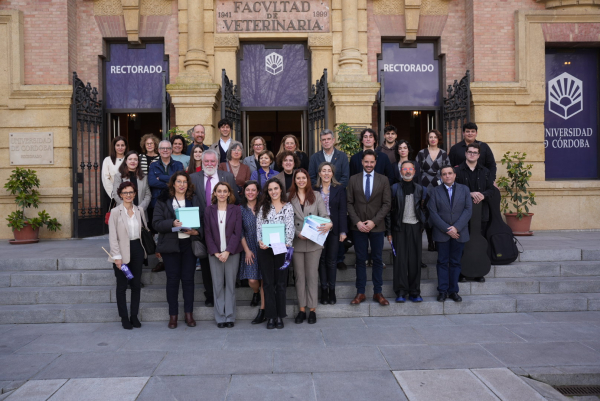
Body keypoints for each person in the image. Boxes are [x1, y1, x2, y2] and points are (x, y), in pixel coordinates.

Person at [189, 149, 240, 307]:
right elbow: (191, 201)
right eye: (207, 161)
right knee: (206, 265)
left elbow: (235, 200)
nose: (209, 164)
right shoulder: (192, 178)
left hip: (226, 227)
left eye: (213, 161)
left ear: (217, 162)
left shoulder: (228, 177)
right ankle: (210, 295)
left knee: (228, 264)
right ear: (202, 162)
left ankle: (227, 295)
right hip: (203, 228)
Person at [152, 171, 202, 328]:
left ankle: (189, 314)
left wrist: (196, 232)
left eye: (184, 182)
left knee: (188, 280)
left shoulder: (193, 199)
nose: (182, 185)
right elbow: (156, 223)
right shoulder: (163, 200)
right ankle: (173, 315)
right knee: (173, 281)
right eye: (179, 181)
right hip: (170, 245)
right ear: (173, 183)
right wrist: (172, 223)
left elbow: (203, 220)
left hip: (188, 245)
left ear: (188, 184)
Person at [347, 150, 392, 306]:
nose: (369, 164)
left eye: (372, 162)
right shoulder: (353, 179)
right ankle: (360, 292)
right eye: (366, 162)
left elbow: (387, 204)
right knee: (360, 259)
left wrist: (374, 221)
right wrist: (358, 222)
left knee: (378, 259)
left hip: (377, 226)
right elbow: (349, 203)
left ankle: (377, 292)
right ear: (362, 162)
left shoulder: (384, 180)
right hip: (358, 227)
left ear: (375, 162)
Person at [288, 169, 330, 324]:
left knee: (312, 276)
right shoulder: (288, 197)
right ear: (294, 180)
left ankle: (312, 310)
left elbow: (325, 217)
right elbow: (286, 221)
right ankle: (301, 309)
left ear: (307, 179)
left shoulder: (316, 196)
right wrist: (297, 232)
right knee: (299, 277)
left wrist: (329, 224)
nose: (301, 180)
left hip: (313, 243)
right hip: (297, 241)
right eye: (298, 178)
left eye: (303, 178)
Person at [427, 166, 472, 303]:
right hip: (442, 234)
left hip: (460, 233)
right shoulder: (434, 191)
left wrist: (456, 228)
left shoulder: (464, 189)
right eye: (444, 174)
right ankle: (442, 291)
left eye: (449, 173)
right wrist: (447, 229)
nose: (447, 176)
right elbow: (433, 213)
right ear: (441, 177)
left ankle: (453, 291)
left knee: (455, 262)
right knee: (442, 262)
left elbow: (468, 210)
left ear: (454, 175)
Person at [107, 181, 148, 330]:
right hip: (121, 251)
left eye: (131, 192)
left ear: (135, 194)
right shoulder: (115, 212)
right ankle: (124, 317)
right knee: (122, 286)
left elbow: (143, 231)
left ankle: (134, 316)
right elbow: (113, 236)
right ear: (120, 195)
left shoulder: (139, 210)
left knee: (136, 284)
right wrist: (117, 256)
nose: (128, 195)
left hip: (137, 248)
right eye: (125, 193)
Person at [385, 161, 427, 303]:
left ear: (414, 171)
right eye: (405, 169)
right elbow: (389, 212)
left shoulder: (421, 189)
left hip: (415, 227)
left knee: (415, 261)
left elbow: (425, 209)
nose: (407, 171)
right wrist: (389, 231)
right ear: (400, 171)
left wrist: (422, 224)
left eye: (410, 169)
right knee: (400, 261)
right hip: (399, 228)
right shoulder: (394, 188)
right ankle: (401, 291)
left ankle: (415, 292)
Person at [256, 178, 294, 330]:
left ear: (281, 190)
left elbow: (290, 227)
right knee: (268, 283)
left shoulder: (288, 207)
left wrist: (287, 242)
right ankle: (270, 316)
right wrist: (260, 241)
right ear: (267, 192)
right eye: (270, 189)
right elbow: (259, 227)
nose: (273, 192)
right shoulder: (263, 207)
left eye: (276, 188)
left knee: (280, 283)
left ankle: (280, 316)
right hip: (265, 249)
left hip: (281, 248)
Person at [204, 182, 243, 328]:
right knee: (218, 285)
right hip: (214, 254)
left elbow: (237, 232)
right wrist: (216, 252)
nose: (221, 194)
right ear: (214, 193)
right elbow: (207, 233)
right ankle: (220, 317)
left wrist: (227, 251)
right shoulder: (209, 210)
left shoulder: (236, 210)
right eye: (219, 191)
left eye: (224, 191)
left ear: (229, 194)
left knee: (230, 286)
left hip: (232, 253)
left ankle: (230, 316)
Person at [455, 142, 494, 283]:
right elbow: (453, 189)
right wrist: (469, 193)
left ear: (479, 155)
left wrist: (483, 195)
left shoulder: (485, 171)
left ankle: (478, 271)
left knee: (478, 243)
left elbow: (491, 190)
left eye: (475, 152)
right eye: (469, 152)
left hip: (480, 214)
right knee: (462, 244)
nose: (472, 154)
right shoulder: (457, 171)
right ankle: (462, 273)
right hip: (462, 216)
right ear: (465, 153)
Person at [148, 140, 184, 273]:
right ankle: (162, 261)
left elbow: (180, 181)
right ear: (158, 150)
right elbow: (151, 181)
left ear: (171, 150)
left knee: (176, 228)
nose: (165, 150)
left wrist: (160, 178)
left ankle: (177, 258)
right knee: (159, 232)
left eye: (167, 148)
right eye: (162, 148)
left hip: (176, 201)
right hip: (158, 202)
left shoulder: (178, 164)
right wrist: (170, 180)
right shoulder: (154, 165)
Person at [316, 162, 347, 305]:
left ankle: (332, 291)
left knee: (332, 260)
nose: (326, 173)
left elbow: (342, 211)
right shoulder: (314, 189)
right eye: (324, 171)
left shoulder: (339, 189)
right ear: (320, 173)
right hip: (319, 229)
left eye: (329, 171)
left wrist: (342, 230)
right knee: (321, 260)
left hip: (334, 229)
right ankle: (323, 290)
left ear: (332, 174)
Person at [417, 129, 450, 251]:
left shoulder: (443, 153)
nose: (433, 139)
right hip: (424, 185)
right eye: (430, 137)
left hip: (439, 185)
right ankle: (430, 241)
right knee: (426, 213)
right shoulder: (421, 153)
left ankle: (438, 241)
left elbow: (448, 170)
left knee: (438, 212)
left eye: (435, 137)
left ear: (438, 139)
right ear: (428, 139)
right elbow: (416, 170)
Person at [238, 181, 265, 323]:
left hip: (264, 246)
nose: (250, 192)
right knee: (253, 280)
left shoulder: (264, 207)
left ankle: (263, 309)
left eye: (253, 190)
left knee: (264, 278)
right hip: (249, 247)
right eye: (247, 190)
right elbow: (239, 232)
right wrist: (247, 250)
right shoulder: (240, 209)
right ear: (244, 192)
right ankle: (256, 292)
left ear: (258, 192)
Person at [112, 151, 152, 215]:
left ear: (138, 162)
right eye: (130, 159)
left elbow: (148, 195)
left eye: (135, 159)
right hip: (123, 213)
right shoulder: (118, 176)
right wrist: (128, 208)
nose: (132, 161)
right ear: (126, 161)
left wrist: (140, 208)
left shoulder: (144, 177)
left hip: (140, 213)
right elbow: (116, 194)